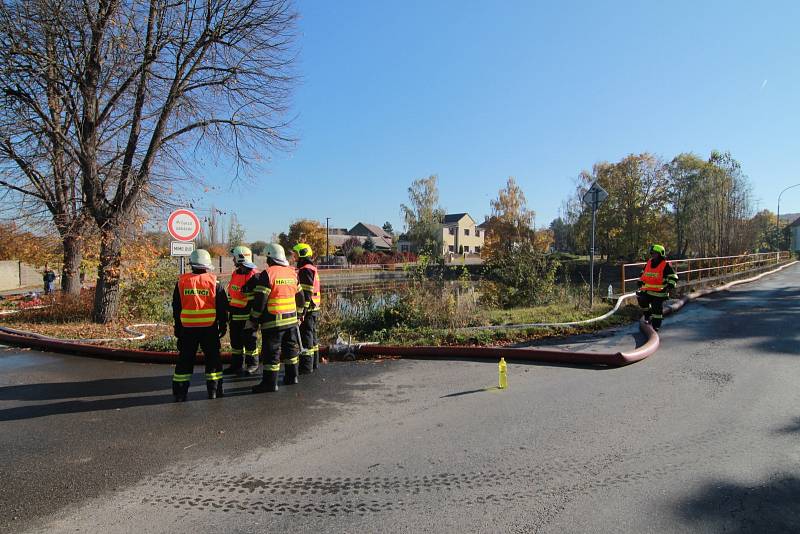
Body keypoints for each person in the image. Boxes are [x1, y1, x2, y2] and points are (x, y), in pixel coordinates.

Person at [245, 243, 305, 393]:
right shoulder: (292, 273)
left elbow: (260, 301)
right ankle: (293, 377)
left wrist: (253, 319)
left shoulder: (268, 274)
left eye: (267, 258)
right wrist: (300, 314)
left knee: (272, 353)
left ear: (270, 258)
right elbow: (301, 297)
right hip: (291, 321)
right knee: (291, 350)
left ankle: (270, 384)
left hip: (273, 322)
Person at [171, 249, 229, 402]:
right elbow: (222, 307)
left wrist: (177, 327)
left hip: (187, 329)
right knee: (213, 360)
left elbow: (176, 307)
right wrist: (223, 326)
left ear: (191, 264)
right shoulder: (214, 282)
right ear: (207, 265)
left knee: (185, 360)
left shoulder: (181, 282)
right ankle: (214, 391)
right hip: (209, 328)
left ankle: (180, 394)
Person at [223, 246, 260, 376]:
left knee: (250, 342)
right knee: (236, 343)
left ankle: (253, 365)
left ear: (240, 257)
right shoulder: (236, 273)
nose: (233, 260)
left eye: (234, 257)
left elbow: (258, 299)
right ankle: (236, 365)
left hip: (247, 316)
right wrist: (228, 308)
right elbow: (231, 293)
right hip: (234, 315)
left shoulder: (254, 275)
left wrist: (253, 318)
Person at [293, 242, 322, 373]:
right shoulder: (309, 267)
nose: (294, 257)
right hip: (313, 307)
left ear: (302, 255)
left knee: (306, 337)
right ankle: (314, 363)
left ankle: (306, 366)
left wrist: (301, 312)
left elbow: (306, 293)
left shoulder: (306, 269)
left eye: (295, 254)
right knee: (312, 335)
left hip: (309, 309)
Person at [637, 244, 678, 332]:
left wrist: (670, 285)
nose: (653, 255)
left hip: (660, 292)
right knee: (642, 300)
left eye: (655, 253)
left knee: (656, 310)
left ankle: (656, 327)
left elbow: (673, 277)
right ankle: (647, 315)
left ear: (660, 254)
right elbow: (643, 273)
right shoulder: (649, 262)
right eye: (652, 253)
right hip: (647, 290)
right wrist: (640, 280)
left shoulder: (665, 265)